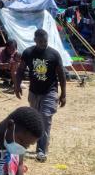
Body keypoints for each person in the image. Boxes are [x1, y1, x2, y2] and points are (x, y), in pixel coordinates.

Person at [14, 29, 66, 162]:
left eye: (45, 41)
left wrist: (63, 94)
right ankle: (26, 143)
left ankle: (41, 150)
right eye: (41, 41)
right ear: (35, 40)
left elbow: (61, 75)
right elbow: (20, 70)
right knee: (35, 120)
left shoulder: (54, 55)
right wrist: (17, 85)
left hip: (50, 92)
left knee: (45, 119)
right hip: (34, 92)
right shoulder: (28, 53)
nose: (43, 44)